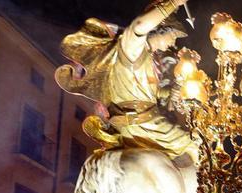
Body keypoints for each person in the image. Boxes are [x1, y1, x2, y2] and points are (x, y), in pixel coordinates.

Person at [55, 0, 199, 165]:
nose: (173, 42)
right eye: (173, 35)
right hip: (142, 124)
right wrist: (173, 3)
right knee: (195, 146)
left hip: (144, 121)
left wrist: (172, 90)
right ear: (159, 28)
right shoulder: (132, 47)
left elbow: (147, 94)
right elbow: (139, 26)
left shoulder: (150, 60)